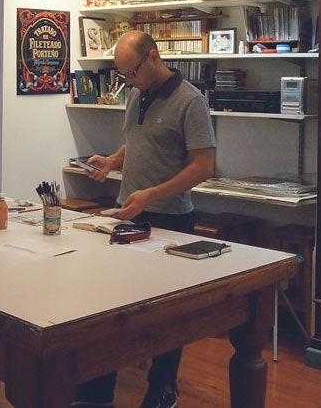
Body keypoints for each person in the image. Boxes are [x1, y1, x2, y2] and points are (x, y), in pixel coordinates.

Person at [75, 30, 217, 408]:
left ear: (153, 56)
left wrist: (152, 194)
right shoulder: (138, 92)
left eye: (131, 72)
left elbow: (204, 166)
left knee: (167, 315)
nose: (127, 80)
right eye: (122, 74)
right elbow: (138, 138)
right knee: (110, 306)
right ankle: (95, 393)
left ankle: (162, 391)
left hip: (170, 220)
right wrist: (112, 161)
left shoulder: (191, 101)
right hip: (129, 212)